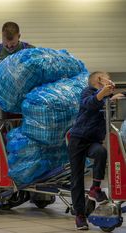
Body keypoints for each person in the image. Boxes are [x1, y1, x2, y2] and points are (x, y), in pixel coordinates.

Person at [68, 71, 125, 230]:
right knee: (77, 177)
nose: (110, 80)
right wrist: (104, 93)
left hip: (93, 141)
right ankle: (80, 215)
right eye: (106, 77)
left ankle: (95, 188)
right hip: (77, 140)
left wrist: (112, 98)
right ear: (98, 80)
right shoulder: (88, 92)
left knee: (101, 152)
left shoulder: (106, 99)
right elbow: (90, 103)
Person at [0, 21, 35, 86]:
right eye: (5, 43)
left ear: (19, 36)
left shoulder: (31, 52)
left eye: (13, 43)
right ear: (2, 36)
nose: (9, 46)